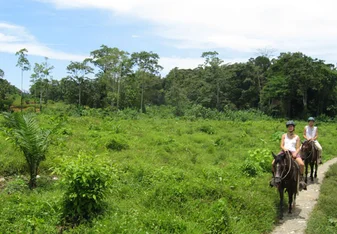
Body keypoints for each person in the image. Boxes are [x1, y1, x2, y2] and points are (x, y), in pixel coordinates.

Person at [270, 120, 306, 190]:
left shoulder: (297, 137)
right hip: (284, 152)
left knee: (301, 164)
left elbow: (298, 147)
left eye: (291, 126)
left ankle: (301, 179)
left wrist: (295, 153)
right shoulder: (284, 135)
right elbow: (281, 145)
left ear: (293, 127)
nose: (290, 128)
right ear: (287, 128)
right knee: (273, 163)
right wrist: (284, 149)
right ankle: (274, 178)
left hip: (293, 152)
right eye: (289, 127)